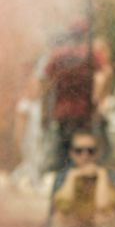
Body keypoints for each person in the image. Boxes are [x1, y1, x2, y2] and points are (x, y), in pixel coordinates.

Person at [41, 24, 108, 170]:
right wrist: (97, 101)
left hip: (63, 114)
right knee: (88, 152)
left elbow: (46, 84)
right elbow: (102, 76)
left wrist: (44, 112)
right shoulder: (90, 53)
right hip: (85, 113)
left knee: (64, 153)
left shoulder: (57, 55)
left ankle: (63, 177)